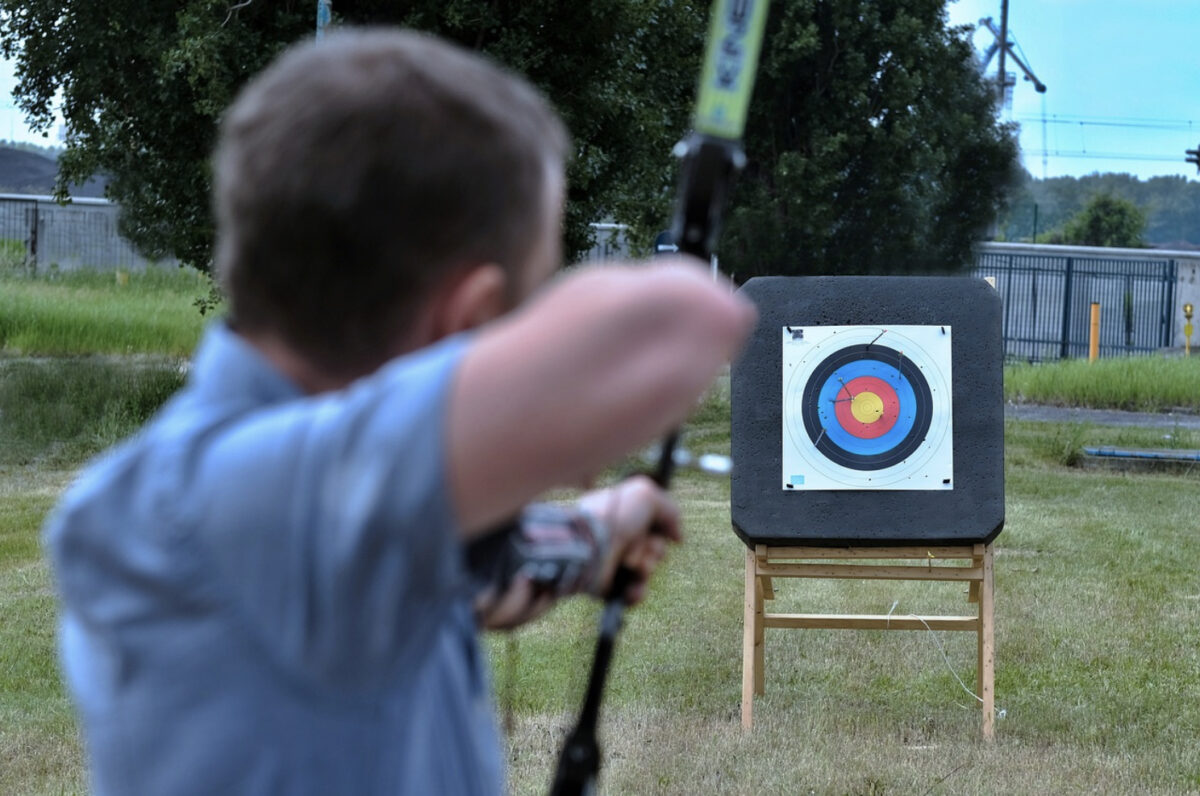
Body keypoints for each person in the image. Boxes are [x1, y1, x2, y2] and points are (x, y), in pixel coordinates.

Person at [43, 28, 755, 795]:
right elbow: (686, 319)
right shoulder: (228, 500)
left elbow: (459, 569)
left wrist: (592, 533)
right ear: (468, 319)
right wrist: (543, 418)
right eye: (521, 305)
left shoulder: (331, 510)